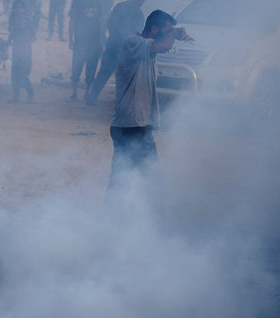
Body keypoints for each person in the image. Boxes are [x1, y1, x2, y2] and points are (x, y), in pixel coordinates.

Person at [105, 10, 192, 213]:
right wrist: (176, 33)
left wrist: (173, 33)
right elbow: (164, 45)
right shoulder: (133, 43)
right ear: (154, 29)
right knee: (138, 180)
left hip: (137, 125)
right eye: (166, 30)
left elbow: (163, 45)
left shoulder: (147, 48)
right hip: (130, 126)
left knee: (129, 179)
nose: (169, 34)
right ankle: (144, 222)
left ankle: (120, 220)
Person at [86, 0, 145, 105]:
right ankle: (119, 103)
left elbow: (109, 22)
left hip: (113, 45)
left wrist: (113, 35)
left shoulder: (120, 6)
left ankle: (92, 97)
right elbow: (138, 34)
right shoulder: (138, 13)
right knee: (121, 76)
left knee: (104, 72)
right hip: (124, 49)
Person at [67, 0, 102, 101]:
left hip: (93, 42)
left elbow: (99, 21)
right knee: (76, 67)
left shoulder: (97, 2)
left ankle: (87, 93)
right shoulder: (77, 2)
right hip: (80, 41)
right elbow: (72, 21)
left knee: (91, 68)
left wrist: (100, 40)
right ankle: (74, 94)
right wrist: (71, 39)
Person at [8, 0, 38, 103]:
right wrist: (8, 42)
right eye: (16, 8)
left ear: (24, 9)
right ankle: (15, 97)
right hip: (16, 48)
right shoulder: (12, 19)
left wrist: (27, 43)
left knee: (23, 73)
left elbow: (34, 35)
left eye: (21, 8)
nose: (19, 10)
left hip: (25, 49)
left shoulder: (28, 19)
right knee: (15, 72)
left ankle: (30, 95)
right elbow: (11, 32)